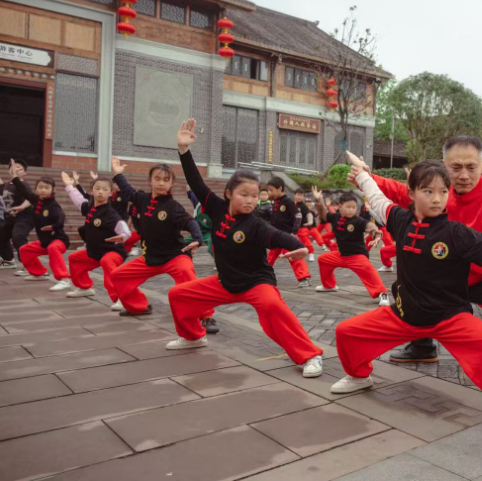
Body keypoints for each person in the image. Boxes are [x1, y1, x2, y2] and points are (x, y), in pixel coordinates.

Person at [332, 155, 482, 466]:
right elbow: (377, 199)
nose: (437, 199)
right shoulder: (400, 220)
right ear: (412, 194)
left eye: (442, 192)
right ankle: (359, 376)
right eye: (428, 191)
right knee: (346, 332)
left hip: (450, 319)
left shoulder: (455, 233)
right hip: (404, 316)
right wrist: (363, 175)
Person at [169, 118, 324, 378]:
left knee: (273, 309)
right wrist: (184, 151)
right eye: (244, 194)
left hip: (256, 283)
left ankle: (310, 355)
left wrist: (301, 247)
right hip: (225, 282)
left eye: (254, 195)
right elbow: (196, 183)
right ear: (229, 194)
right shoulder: (216, 208)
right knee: (178, 295)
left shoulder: (255, 224)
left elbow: (277, 236)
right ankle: (193, 336)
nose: (250, 200)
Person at [109, 158, 205, 318]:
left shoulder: (173, 207)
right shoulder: (142, 199)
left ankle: (206, 316)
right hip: (150, 257)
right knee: (118, 276)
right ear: (150, 180)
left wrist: (197, 238)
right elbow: (127, 191)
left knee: (188, 277)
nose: (161, 183)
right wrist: (118, 175)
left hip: (175, 256)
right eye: (157, 179)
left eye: (166, 180)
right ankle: (139, 306)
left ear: (172, 183)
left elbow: (190, 222)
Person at [312, 187, 390, 306]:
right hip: (341, 255)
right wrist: (318, 201)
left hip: (357, 257)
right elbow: (323, 215)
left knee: (370, 273)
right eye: (348, 207)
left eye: (353, 207)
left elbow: (370, 226)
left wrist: (377, 235)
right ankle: (329, 285)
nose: (351, 210)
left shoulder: (359, 221)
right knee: (323, 259)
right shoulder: (335, 217)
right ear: (339, 206)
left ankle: (383, 294)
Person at [61, 171, 129, 299]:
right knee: (74, 258)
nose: (100, 192)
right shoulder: (90, 207)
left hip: (112, 252)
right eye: (97, 188)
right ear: (92, 191)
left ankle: (121, 298)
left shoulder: (110, 213)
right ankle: (85, 287)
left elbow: (122, 226)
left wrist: (124, 235)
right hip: (95, 251)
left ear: (111, 193)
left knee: (107, 262)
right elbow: (78, 200)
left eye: (104, 189)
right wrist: (69, 186)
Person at [12, 172, 72, 291]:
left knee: (53, 248)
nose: (43, 190)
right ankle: (39, 273)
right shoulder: (36, 200)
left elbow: (61, 218)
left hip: (59, 240)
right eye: (40, 187)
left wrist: (54, 227)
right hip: (45, 241)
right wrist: (15, 178)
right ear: (36, 189)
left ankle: (65, 279)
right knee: (24, 250)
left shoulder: (53, 205)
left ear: (53, 190)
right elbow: (24, 190)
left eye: (46, 187)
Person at [265, 177, 311, 288]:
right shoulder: (275, 201)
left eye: (271, 190)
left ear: (279, 189)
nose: (269, 192)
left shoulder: (287, 201)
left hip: (286, 235)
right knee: (270, 257)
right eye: (268, 190)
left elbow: (298, 216)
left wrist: (294, 232)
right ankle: (260, 275)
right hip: (276, 235)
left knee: (294, 256)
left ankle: (303, 278)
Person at [0, 159, 34, 273]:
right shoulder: (6, 185)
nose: (16, 169)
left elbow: (30, 198)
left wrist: (21, 207)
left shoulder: (23, 185)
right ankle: (9, 260)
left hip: (24, 217)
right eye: (14, 167)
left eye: (19, 168)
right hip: (10, 218)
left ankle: (29, 265)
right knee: (2, 236)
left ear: (25, 173)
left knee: (18, 237)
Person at [294, 189, 317, 262]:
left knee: (306, 240)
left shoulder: (303, 206)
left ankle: (311, 253)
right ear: (295, 196)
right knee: (293, 241)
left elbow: (308, 214)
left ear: (303, 197)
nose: (299, 197)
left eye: (301, 196)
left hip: (303, 227)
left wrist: (310, 221)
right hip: (294, 228)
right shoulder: (292, 205)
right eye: (298, 195)